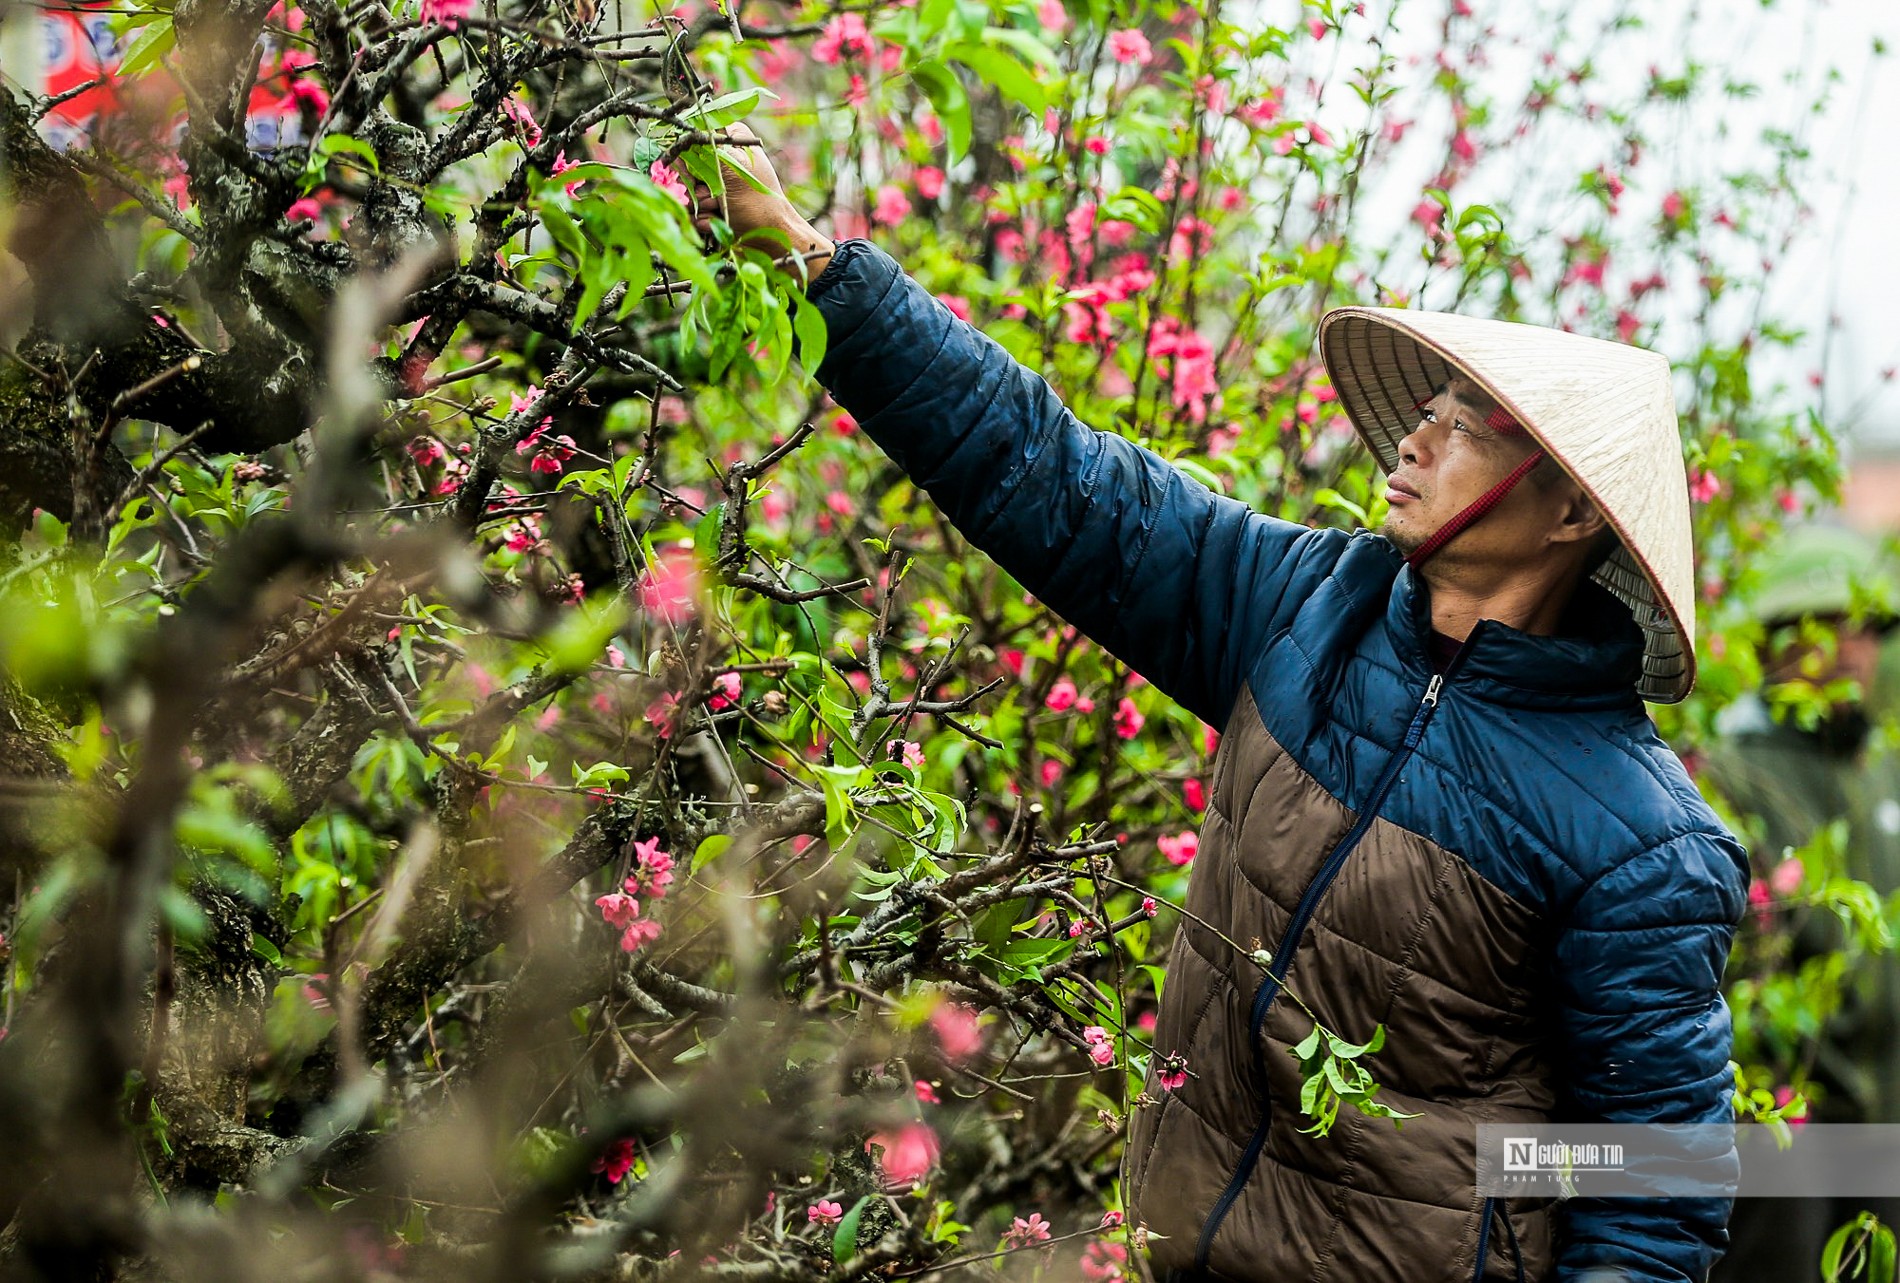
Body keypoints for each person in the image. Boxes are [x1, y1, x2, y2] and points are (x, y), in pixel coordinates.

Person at [693, 128, 1750, 1283]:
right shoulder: (1304, 612)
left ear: (1566, 517)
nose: (1414, 436)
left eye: (1469, 427)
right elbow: (1053, 474)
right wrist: (806, 258)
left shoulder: (1640, 841)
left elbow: (1651, 1192)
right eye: (1428, 409)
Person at [1702, 525, 1900, 1283]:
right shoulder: (1729, 781)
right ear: (1772, 643)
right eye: (1824, 625)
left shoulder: (1882, 772)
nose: (1851, 647)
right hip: (1785, 1147)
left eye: (1865, 627)